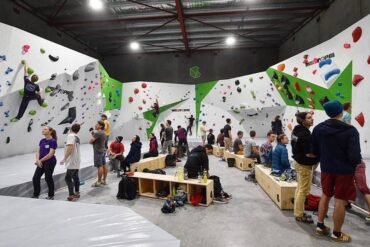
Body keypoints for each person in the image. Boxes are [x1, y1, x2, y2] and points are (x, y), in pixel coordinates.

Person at [312, 100, 362, 242]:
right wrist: (355, 164)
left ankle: (320, 226)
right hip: (344, 171)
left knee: (325, 195)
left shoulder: (318, 129)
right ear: (341, 112)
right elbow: (354, 156)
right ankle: (337, 234)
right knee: (340, 201)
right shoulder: (350, 130)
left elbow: (314, 150)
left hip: (326, 168)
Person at [291, 112, 319, 224]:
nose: (312, 119)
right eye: (309, 118)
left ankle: (298, 211)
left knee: (299, 188)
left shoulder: (296, 130)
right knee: (303, 190)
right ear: (303, 121)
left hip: (298, 162)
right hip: (304, 165)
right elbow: (310, 153)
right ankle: (299, 214)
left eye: (311, 117)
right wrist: (318, 155)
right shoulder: (305, 135)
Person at [32, 126, 57, 199]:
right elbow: (38, 151)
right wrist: (37, 160)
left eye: (45, 129)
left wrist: (40, 160)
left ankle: (51, 195)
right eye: (43, 129)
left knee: (48, 178)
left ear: (50, 131)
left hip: (50, 162)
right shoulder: (42, 140)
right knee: (35, 178)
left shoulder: (53, 141)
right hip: (41, 162)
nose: (43, 130)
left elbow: (50, 154)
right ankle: (36, 194)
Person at [60, 123, 81, 201]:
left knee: (67, 178)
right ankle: (77, 192)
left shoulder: (70, 136)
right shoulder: (76, 136)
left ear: (71, 129)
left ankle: (71, 194)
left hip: (71, 160)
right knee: (75, 177)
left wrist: (64, 159)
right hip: (77, 160)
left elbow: (70, 147)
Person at [89, 121, 107, 187]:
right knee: (104, 165)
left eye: (97, 124)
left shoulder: (98, 133)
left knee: (99, 166)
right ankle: (104, 180)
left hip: (98, 151)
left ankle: (99, 182)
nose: (95, 125)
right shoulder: (103, 132)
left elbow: (90, 142)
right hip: (103, 150)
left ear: (101, 126)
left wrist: (93, 137)